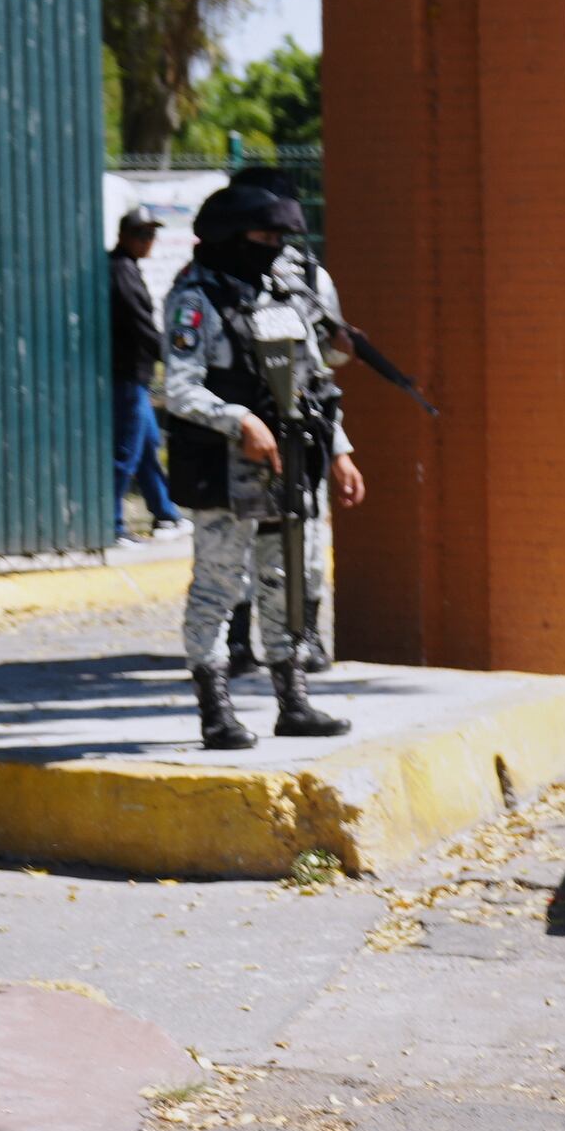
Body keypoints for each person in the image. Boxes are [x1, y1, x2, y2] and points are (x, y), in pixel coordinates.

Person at [154, 186, 366, 750]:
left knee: (286, 582)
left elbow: (313, 385)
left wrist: (340, 452)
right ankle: (215, 711)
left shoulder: (284, 292)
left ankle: (292, 702)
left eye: (280, 239)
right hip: (226, 470)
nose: (275, 249)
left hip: (291, 464)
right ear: (229, 238)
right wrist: (239, 420)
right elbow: (178, 387)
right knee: (219, 588)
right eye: (264, 238)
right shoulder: (194, 300)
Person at [107, 210, 182, 533]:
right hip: (127, 376)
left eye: (151, 235)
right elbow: (140, 324)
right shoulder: (120, 269)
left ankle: (165, 513)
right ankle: (112, 524)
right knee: (127, 451)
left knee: (148, 445)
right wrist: (172, 356)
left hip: (137, 376)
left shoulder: (126, 267)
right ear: (123, 236)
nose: (148, 241)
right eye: (141, 235)